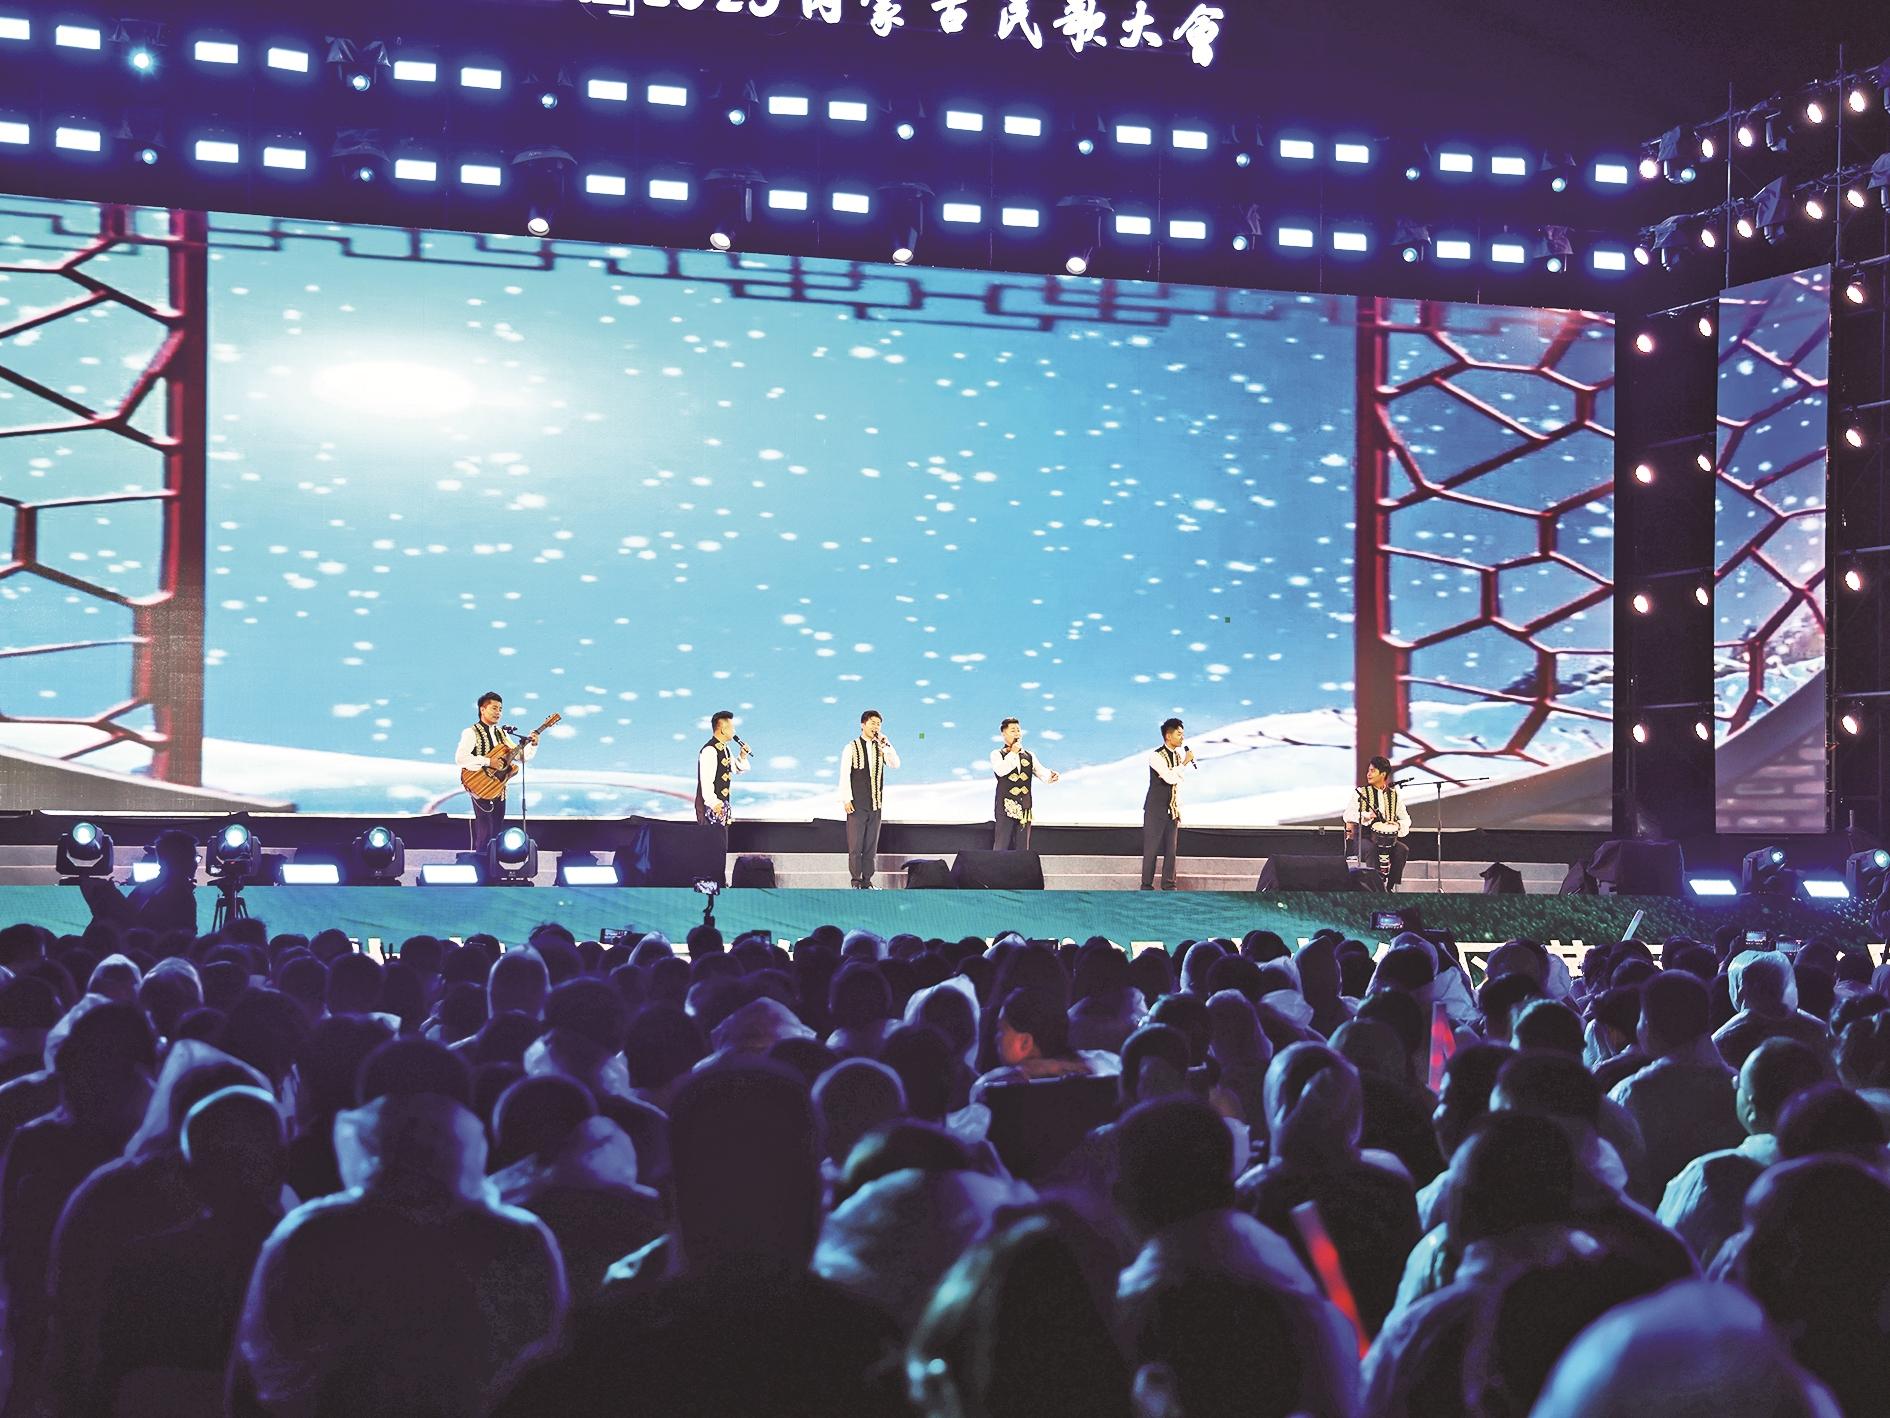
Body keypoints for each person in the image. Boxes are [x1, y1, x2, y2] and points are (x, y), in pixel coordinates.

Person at [455, 691, 539, 852]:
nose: (498, 712)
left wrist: (533, 744)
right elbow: (461, 758)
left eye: (500, 709)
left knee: (496, 831)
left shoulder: (502, 733)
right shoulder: (471, 732)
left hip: (499, 788)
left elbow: (520, 756)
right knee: (485, 831)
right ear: (482, 709)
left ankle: (492, 863)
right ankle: (480, 863)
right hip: (480, 786)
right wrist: (488, 761)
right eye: (494, 708)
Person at [78, 827, 200, 935]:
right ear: (181, 860)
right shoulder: (179, 894)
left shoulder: (145, 889)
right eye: (193, 857)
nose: (196, 863)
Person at [839, 709, 900, 889]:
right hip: (857, 804)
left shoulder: (881, 747)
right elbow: (844, 774)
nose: (876, 727)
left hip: (875, 804)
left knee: (870, 847)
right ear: (863, 724)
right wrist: (846, 799)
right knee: (855, 846)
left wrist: (886, 745)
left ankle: (867, 881)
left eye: (879, 724)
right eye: (873, 723)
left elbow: (895, 764)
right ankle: (856, 881)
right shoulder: (851, 747)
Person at [989, 717, 1059, 851]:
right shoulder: (997, 754)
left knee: (1022, 846)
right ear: (1003, 734)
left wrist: (1050, 776)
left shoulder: (1029, 755)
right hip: (1005, 807)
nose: (1017, 733)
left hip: (1025, 807)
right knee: (1002, 844)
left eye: (1018, 730)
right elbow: (1001, 770)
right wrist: (1013, 753)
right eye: (1012, 730)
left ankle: (1020, 865)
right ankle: (999, 864)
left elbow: (1040, 771)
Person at [1342, 755, 1412, 889]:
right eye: (1368, 770)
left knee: (1402, 849)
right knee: (1372, 850)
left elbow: (1406, 819)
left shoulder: (1394, 796)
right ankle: (1377, 888)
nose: (1368, 774)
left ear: (1383, 774)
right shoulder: (1360, 793)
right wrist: (1367, 815)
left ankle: (1390, 886)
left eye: (1372, 771)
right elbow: (1347, 815)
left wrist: (1398, 825)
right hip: (1364, 838)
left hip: (1386, 840)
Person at [1141, 718, 1192, 891]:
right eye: (1179, 734)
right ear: (1168, 736)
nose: (1182, 738)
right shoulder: (1156, 756)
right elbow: (1169, 778)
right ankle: (1146, 886)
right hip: (1155, 809)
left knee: (1171, 850)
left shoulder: (1176, 755)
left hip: (1171, 810)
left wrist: (1177, 808)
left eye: (1183, 734)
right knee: (1151, 849)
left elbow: (1176, 783)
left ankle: (1169, 886)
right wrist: (1185, 763)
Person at [694, 710, 751, 827]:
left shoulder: (725, 748)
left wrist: (742, 756)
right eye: (732, 728)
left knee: (722, 836)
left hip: (721, 807)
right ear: (723, 730)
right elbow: (706, 781)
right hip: (711, 809)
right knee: (711, 837)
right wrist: (714, 803)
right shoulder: (709, 750)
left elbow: (735, 769)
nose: (734, 731)